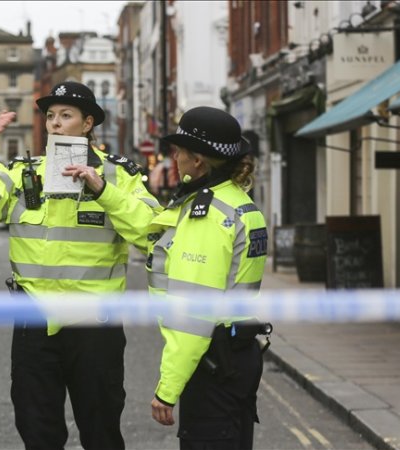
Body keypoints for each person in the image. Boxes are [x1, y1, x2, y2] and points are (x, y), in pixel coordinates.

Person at [0, 81, 162, 450]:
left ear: (87, 124)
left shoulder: (119, 176)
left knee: (100, 430)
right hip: (34, 322)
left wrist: (103, 191)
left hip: (95, 324)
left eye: (65, 115)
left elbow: (150, 231)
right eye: (50, 116)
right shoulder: (25, 172)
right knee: (37, 430)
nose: (54, 123)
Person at [145, 106, 270, 449]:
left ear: (198, 160)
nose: (175, 156)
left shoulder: (208, 216)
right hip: (238, 356)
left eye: (179, 149)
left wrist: (167, 390)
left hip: (214, 362)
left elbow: (192, 317)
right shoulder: (240, 204)